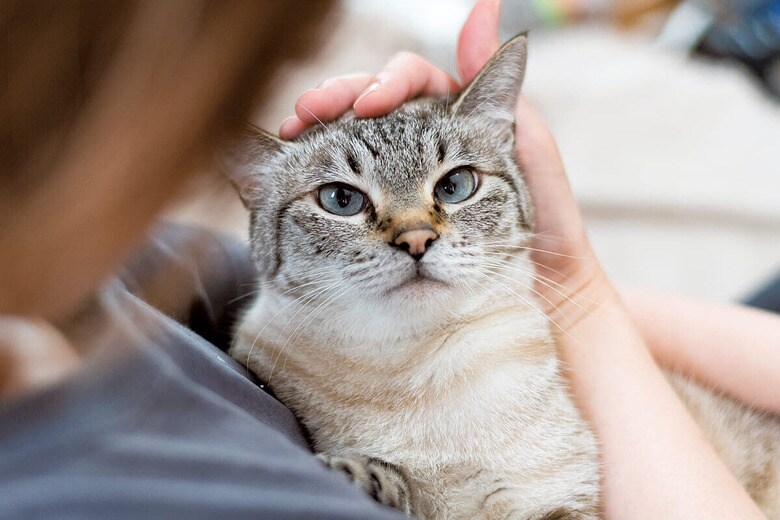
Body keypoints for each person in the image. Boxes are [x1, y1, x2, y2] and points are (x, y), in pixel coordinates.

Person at [0, 1, 778, 520]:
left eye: (453, 188)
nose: (415, 232)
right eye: (344, 200)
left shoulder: (128, 272)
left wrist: (573, 285)